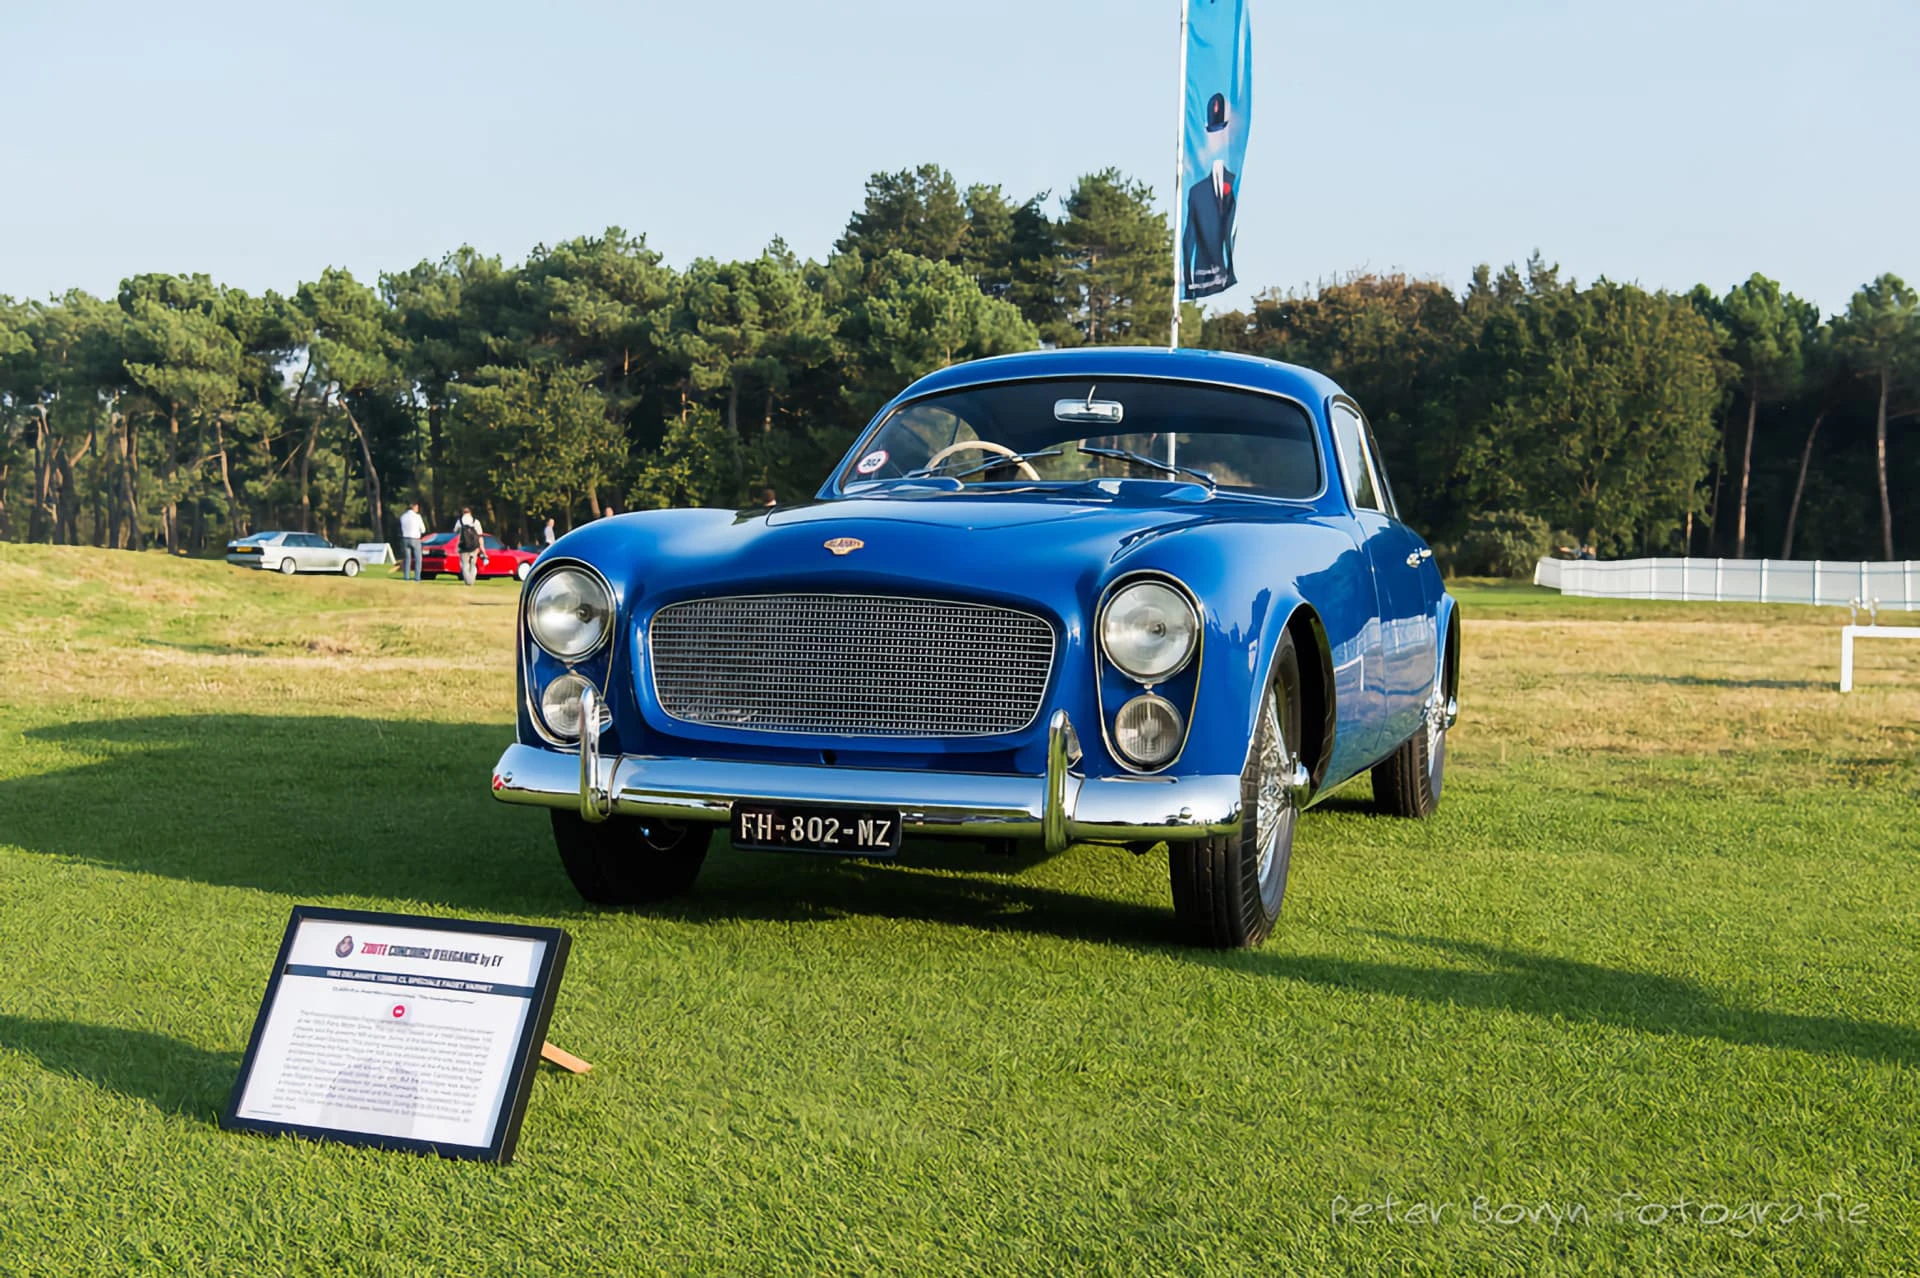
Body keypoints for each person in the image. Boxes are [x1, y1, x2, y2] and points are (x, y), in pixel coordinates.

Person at [398, 501, 426, 582]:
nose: (418, 509)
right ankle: (417, 577)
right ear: (413, 507)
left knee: (407, 559)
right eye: (417, 507)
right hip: (415, 538)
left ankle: (406, 576)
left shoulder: (403, 516)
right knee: (418, 559)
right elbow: (423, 529)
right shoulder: (417, 517)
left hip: (405, 538)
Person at [455, 507, 484, 585]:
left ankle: (468, 581)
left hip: (463, 546)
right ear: (470, 513)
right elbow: (480, 535)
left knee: (465, 564)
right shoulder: (475, 521)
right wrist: (482, 547)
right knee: (473, 564)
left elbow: (455, 531)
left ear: (463, 513)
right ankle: (472, 580)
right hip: (474, 546)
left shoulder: (460, 521)